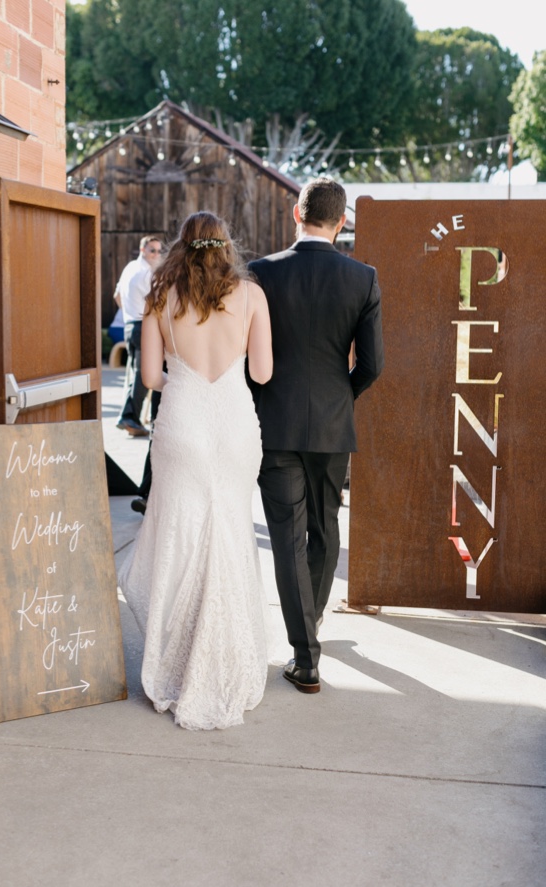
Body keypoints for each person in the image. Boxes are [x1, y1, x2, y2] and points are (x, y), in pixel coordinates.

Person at [119, 210, 275, 731]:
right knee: (229, 531)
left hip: (181, 424)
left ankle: (177, 662)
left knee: (179, 540)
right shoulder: (251, 296)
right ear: (227, 245)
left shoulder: (160, 297)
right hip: (234, 425)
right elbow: (261, 372)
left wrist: (183, 380)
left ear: (182, 247)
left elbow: (148, 376)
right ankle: (226, 659)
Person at [248, 179, 382, 695]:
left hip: (275, 425)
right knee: (325, 531)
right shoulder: (362, 278)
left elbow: (246, 358)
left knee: (286, 538)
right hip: (332, 425)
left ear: (296, 212)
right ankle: (311, 629)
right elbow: (372, 365)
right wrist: (340, 399)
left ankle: (306, 655)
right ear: (341, 222)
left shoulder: (260, 272)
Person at [116, 236, 166, 437]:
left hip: (129, 325)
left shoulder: (129, 268)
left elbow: (117, 296)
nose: (156, 255)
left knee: (134, 373)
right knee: (143, 375)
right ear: (142, 250)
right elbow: (157, 305)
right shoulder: (147, 274)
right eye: (152, 250)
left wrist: (128, 313)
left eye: (158, 251)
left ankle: (130, 417)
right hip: (142, 325)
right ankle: (130, 417)